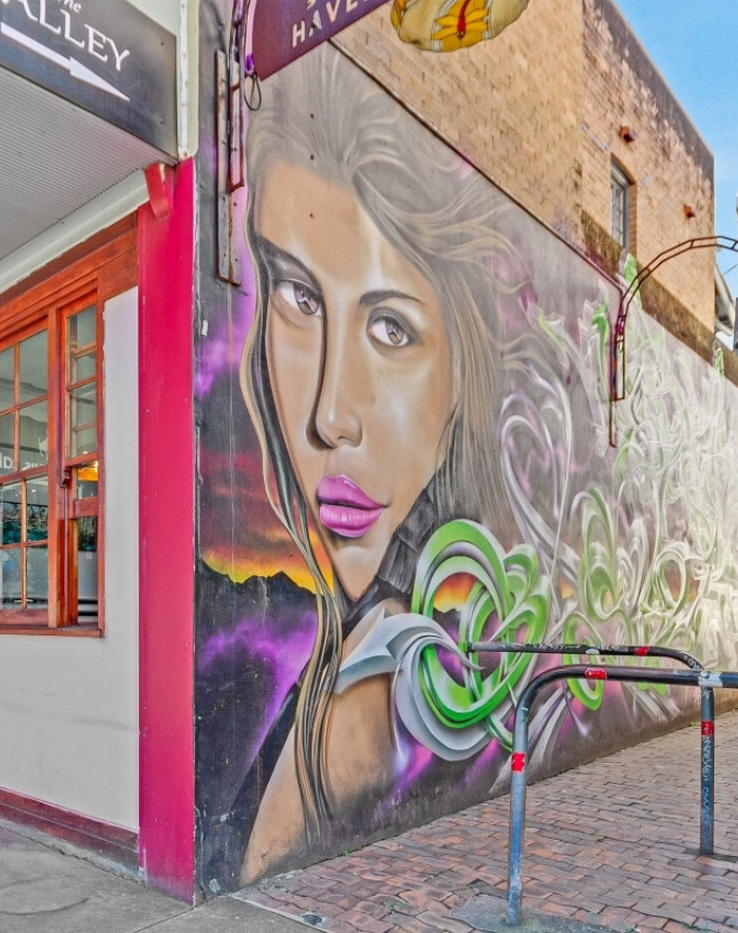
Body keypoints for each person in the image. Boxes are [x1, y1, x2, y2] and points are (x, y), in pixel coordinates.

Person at [234, 44, 528, 884]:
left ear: (465, 374)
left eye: (391, 328)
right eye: (297, 296)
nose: (330, 414)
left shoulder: (382, 673)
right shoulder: (352, 643)